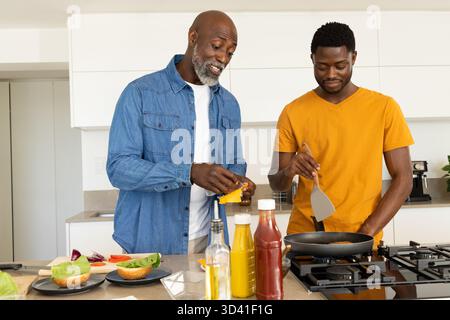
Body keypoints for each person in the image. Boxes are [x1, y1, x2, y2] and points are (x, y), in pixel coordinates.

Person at [107, 10, 255, 255]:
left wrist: (238, 184)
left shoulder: (229, 104)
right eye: (217, 46)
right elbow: (119, 168)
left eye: (230, 52)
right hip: (150, 241)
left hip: (210, 241)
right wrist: (189, 173)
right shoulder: (140, 93)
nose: (222, 58)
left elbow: (235, 164)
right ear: (193, 37)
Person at [268, 22, 414, 247]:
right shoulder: (292, 111)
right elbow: (277, 183)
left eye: (340, 65)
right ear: (312, 60)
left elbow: (404, 179)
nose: (331, 74)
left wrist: (366, 232)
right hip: (307, 240)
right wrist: (290, 170)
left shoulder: (384, 108)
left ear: (354, 58)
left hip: (363, 240)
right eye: (322, 67)